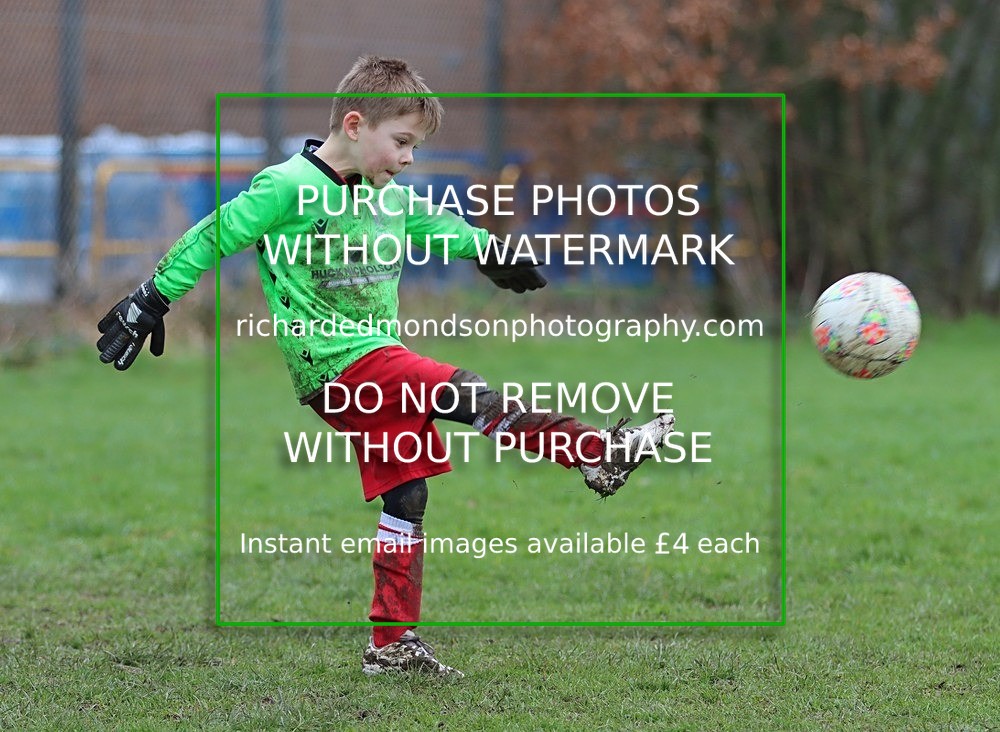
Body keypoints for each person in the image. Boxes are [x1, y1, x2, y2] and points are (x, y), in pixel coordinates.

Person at [96, 56, 674, 678]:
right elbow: (214, 233)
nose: (407, 158)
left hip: (376, 364)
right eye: (401, 142)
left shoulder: (385, 196)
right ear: (354, 125)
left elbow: (430, 222)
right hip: (336, 366)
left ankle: (391, 645)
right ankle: (592, 453)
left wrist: (487, 249)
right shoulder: (287, 187)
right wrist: (149, 301)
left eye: (415, 147)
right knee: (462, 390)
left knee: (407, 494)